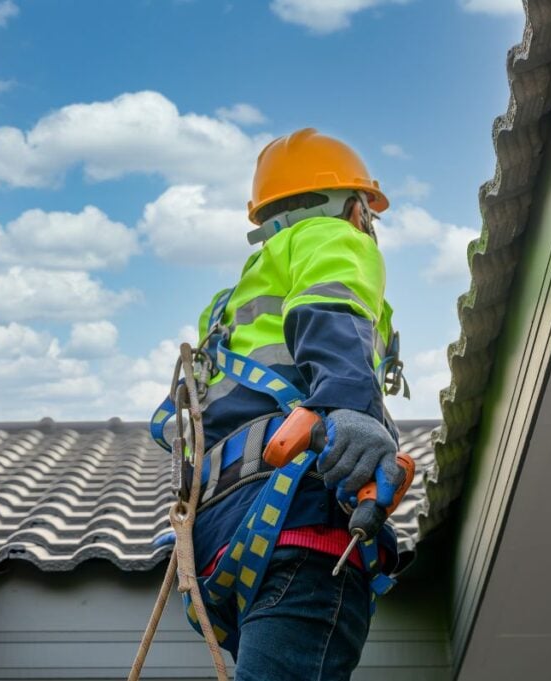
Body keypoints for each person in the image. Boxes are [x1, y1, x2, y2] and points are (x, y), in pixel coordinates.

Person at [151, 128, 408, 680]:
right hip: (301, 526)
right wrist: (351, 408)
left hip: (227, 546)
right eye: (370, 217)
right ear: (356, 208)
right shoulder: (333, 238)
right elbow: (330, 309)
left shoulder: (225, 309)